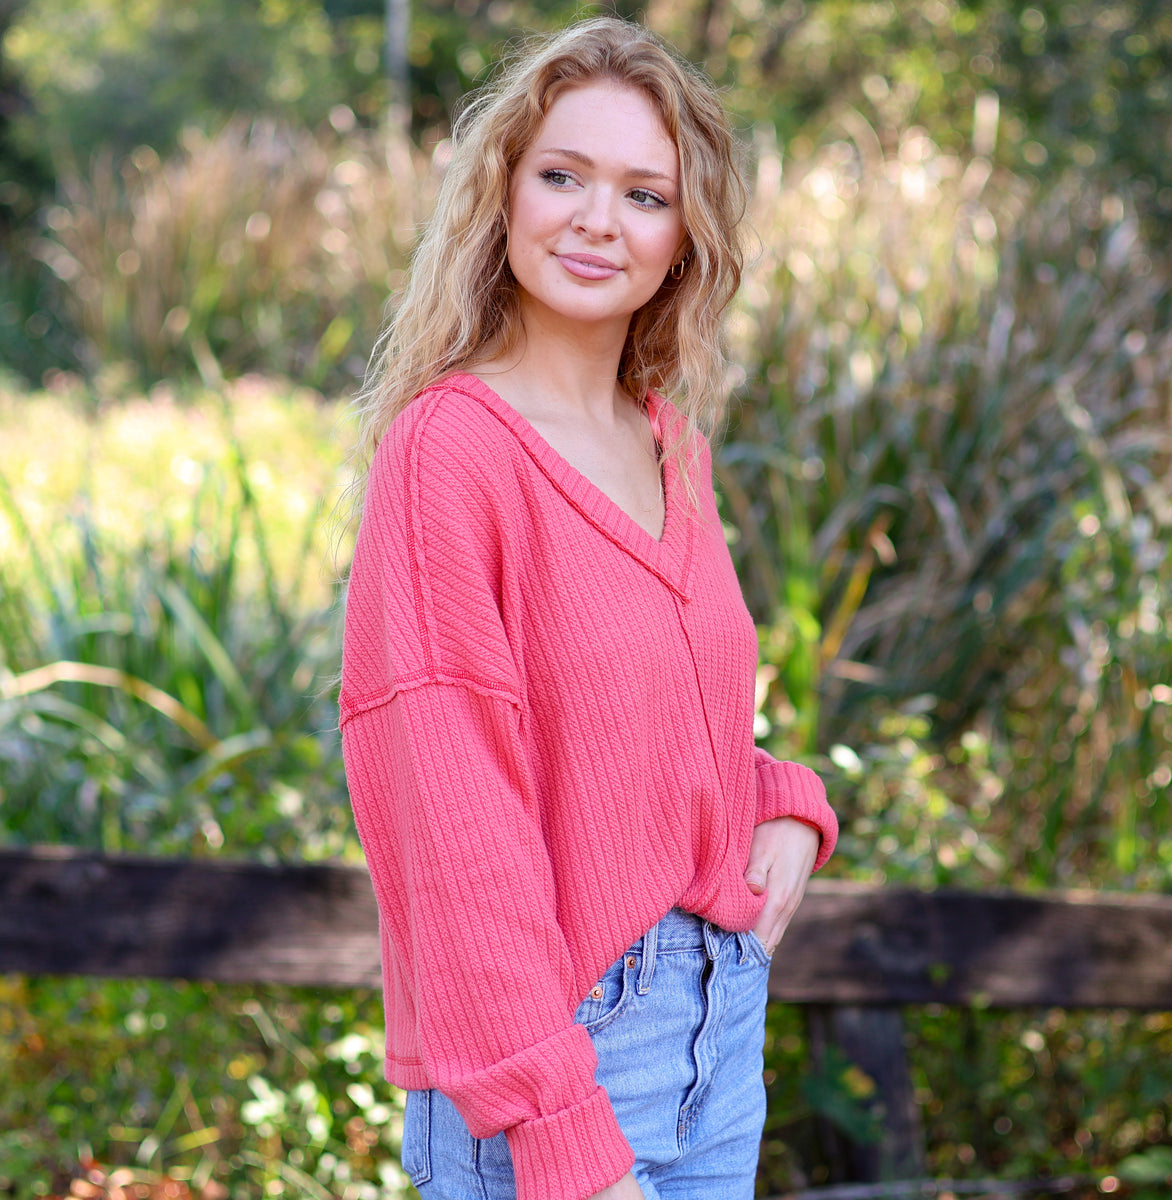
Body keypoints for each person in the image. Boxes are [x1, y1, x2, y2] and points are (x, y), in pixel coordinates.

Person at [339, 17, 838, 1200]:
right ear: (504, 192)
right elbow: (451, 812)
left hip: (716, 1031)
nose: (596, 220)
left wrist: (783, 804)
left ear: (686, 238)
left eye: (644, 194)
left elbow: (664, 719)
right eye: (562, 175)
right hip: (559, 1056)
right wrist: (560, 1126)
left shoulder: (669, 444)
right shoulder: (449, 453)